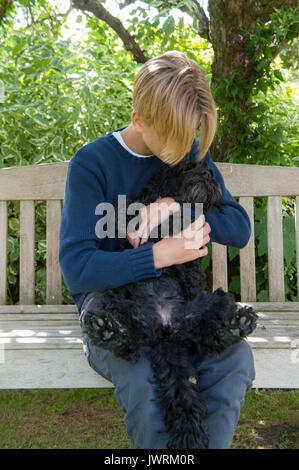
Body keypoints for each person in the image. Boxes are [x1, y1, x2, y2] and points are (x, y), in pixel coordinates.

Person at [59, 50, 255, 449]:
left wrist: (177, 209)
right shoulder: (92, 164)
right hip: (113, 313)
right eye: (175, 139)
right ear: (138, 120)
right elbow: (78, 268)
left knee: (235, 362)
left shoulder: (186, 147)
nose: (185, 148)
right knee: (146, 386)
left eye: (190, 137)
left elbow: (238, 227)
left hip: (181, 305)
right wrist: (159, 255)